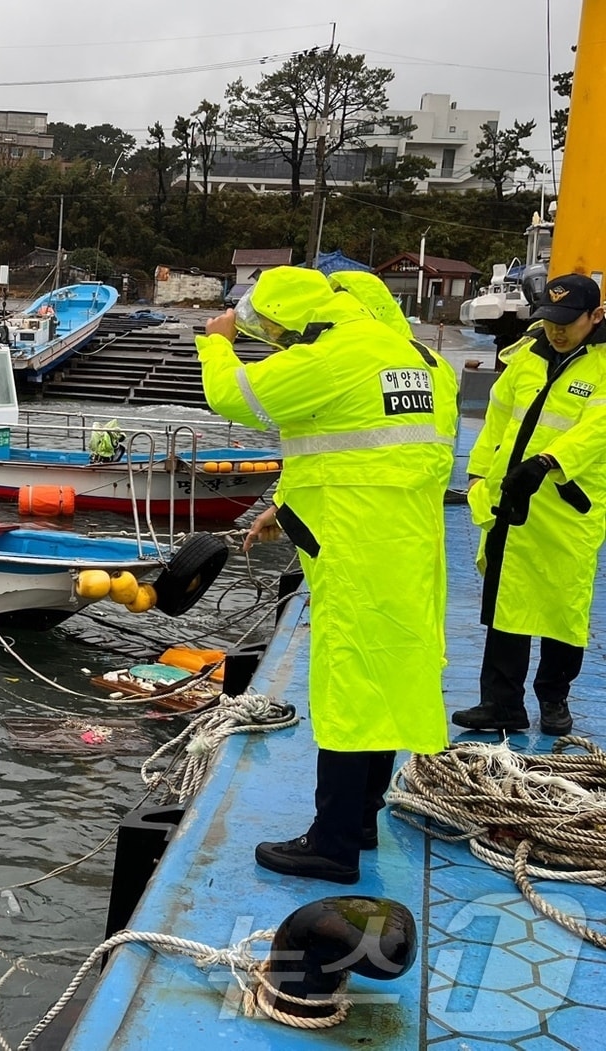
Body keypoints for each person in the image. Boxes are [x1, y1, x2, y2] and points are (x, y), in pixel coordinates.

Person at [199, 266, 454, 885]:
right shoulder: (419, 359)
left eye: (280, 332)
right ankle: (363, 817)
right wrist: (282, 509)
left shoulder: (336, 354)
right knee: (386, 672)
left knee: (347, 685)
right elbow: (353, 446)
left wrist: (217, 339)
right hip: (407, 542)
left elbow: (234, 394)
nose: (282, 344)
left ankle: (332, 843)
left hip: (353, 545)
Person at [453, 274, 606, 737]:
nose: (557, 330)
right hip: (510, 501)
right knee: (505, 601)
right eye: (550, 319)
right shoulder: (527, 356)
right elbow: (498, 417)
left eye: (568, 321)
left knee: (562, 604)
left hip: (565, 505)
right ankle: (501, 702)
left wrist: (549, 462)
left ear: (595, 316)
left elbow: (598, 427)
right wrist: (478, 473)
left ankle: (553, 696)